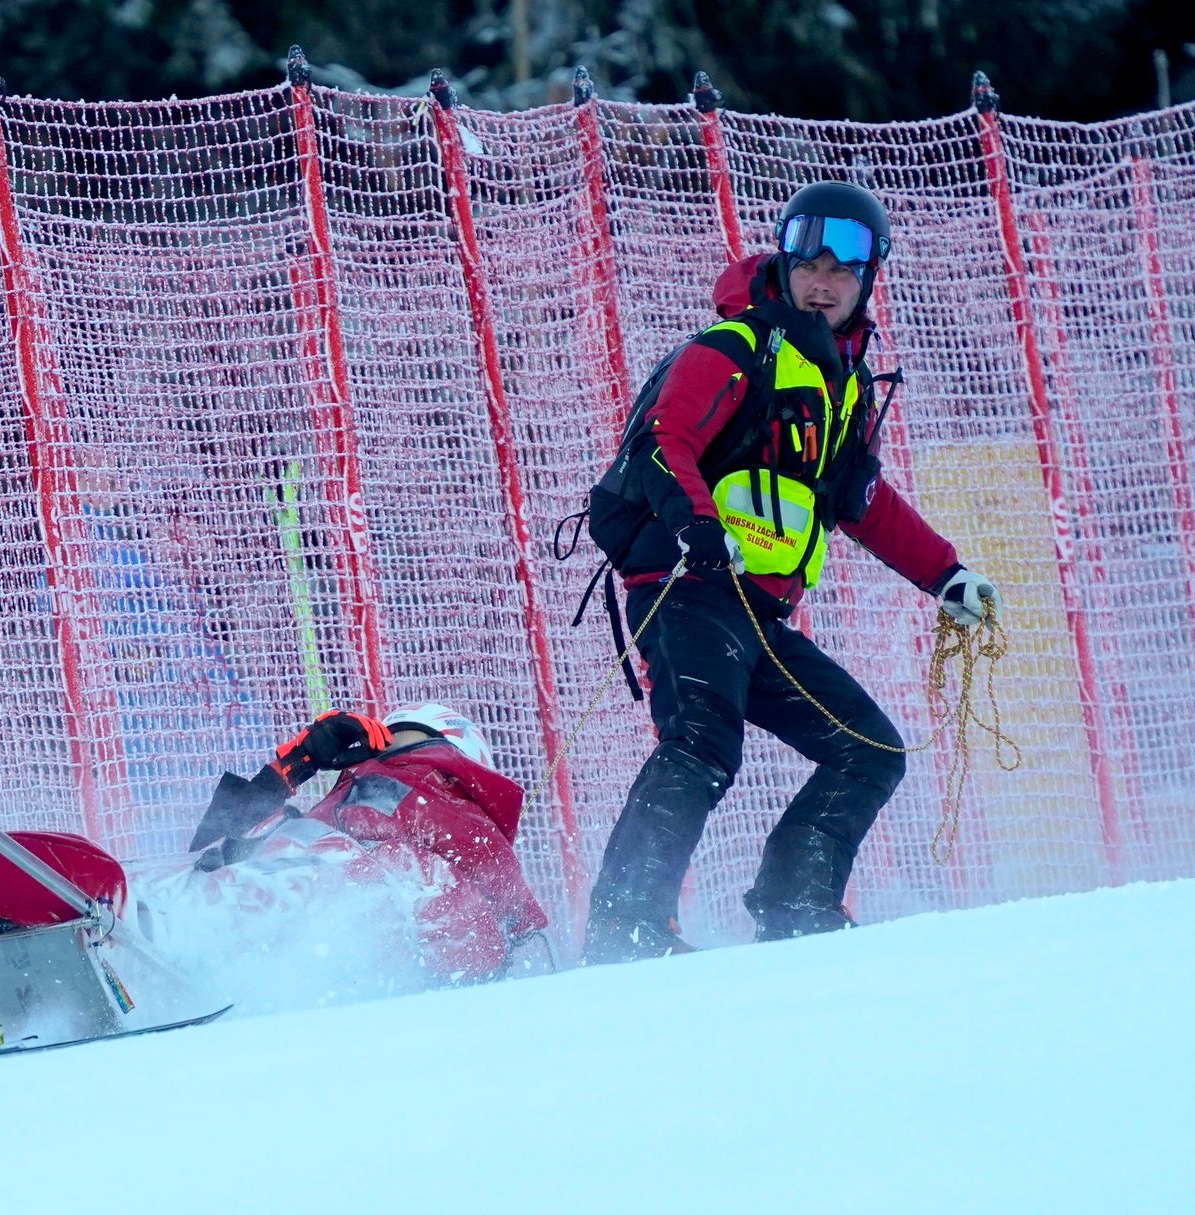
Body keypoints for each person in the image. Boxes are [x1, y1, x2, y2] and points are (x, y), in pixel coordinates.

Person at [580, 180, 1000, 964]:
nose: (823, 281)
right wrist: (697, 526)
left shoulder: (842, 385)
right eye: (809, 262)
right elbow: (665, 439)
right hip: (685, 588)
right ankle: (625, 925)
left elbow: (862, 502)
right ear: (784, 261)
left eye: (844, 269)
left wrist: (947, 576)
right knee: (703, 741)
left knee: (868, 749)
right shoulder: (735, 348)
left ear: (868, 280)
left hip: (755, 615)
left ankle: (794, 905)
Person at [185, 704, 547, 980]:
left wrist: (293, 766)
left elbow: (227, 853)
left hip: (333, 913)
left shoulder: (351, 804)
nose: (393, 760)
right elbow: (509, 897)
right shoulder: (450, 818)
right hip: (391, 943)